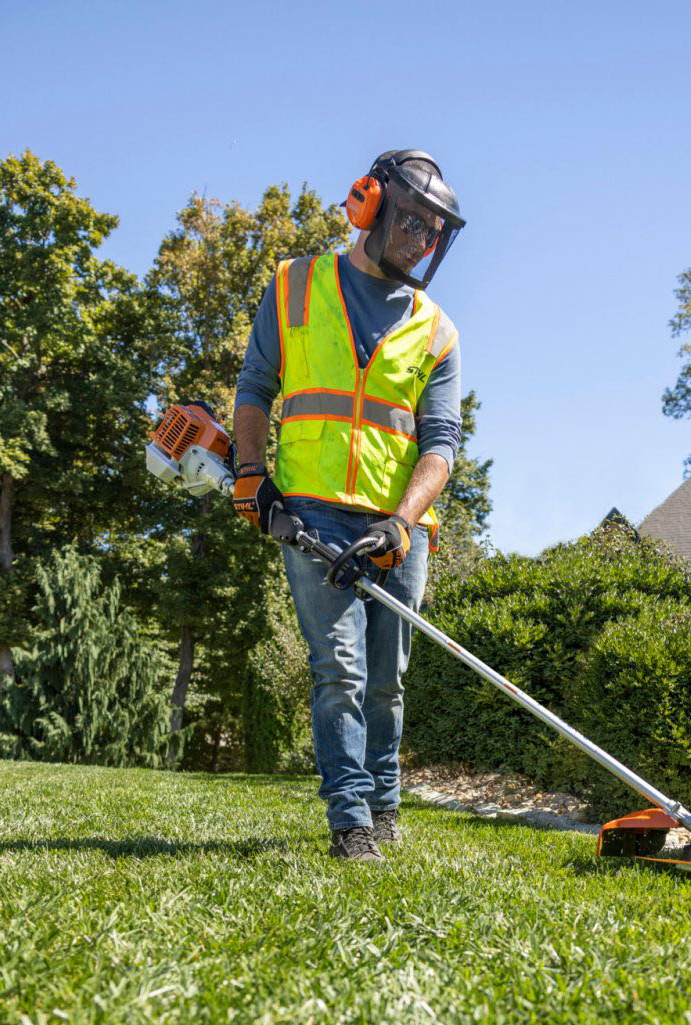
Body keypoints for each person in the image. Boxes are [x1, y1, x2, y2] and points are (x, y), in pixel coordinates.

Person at [231, 149, 465, 863]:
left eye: (435, 231)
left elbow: (442, 442)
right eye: (414, 221)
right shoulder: (295, 285)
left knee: (388, 678)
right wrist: (250, 477)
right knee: (339, 668)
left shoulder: (437, 329)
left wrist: (400, 523)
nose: (423, 239)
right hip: (311, 511)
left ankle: (385, 801)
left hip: (400, 525)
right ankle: (350, 819)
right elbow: (254, 388)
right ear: (368, 205)